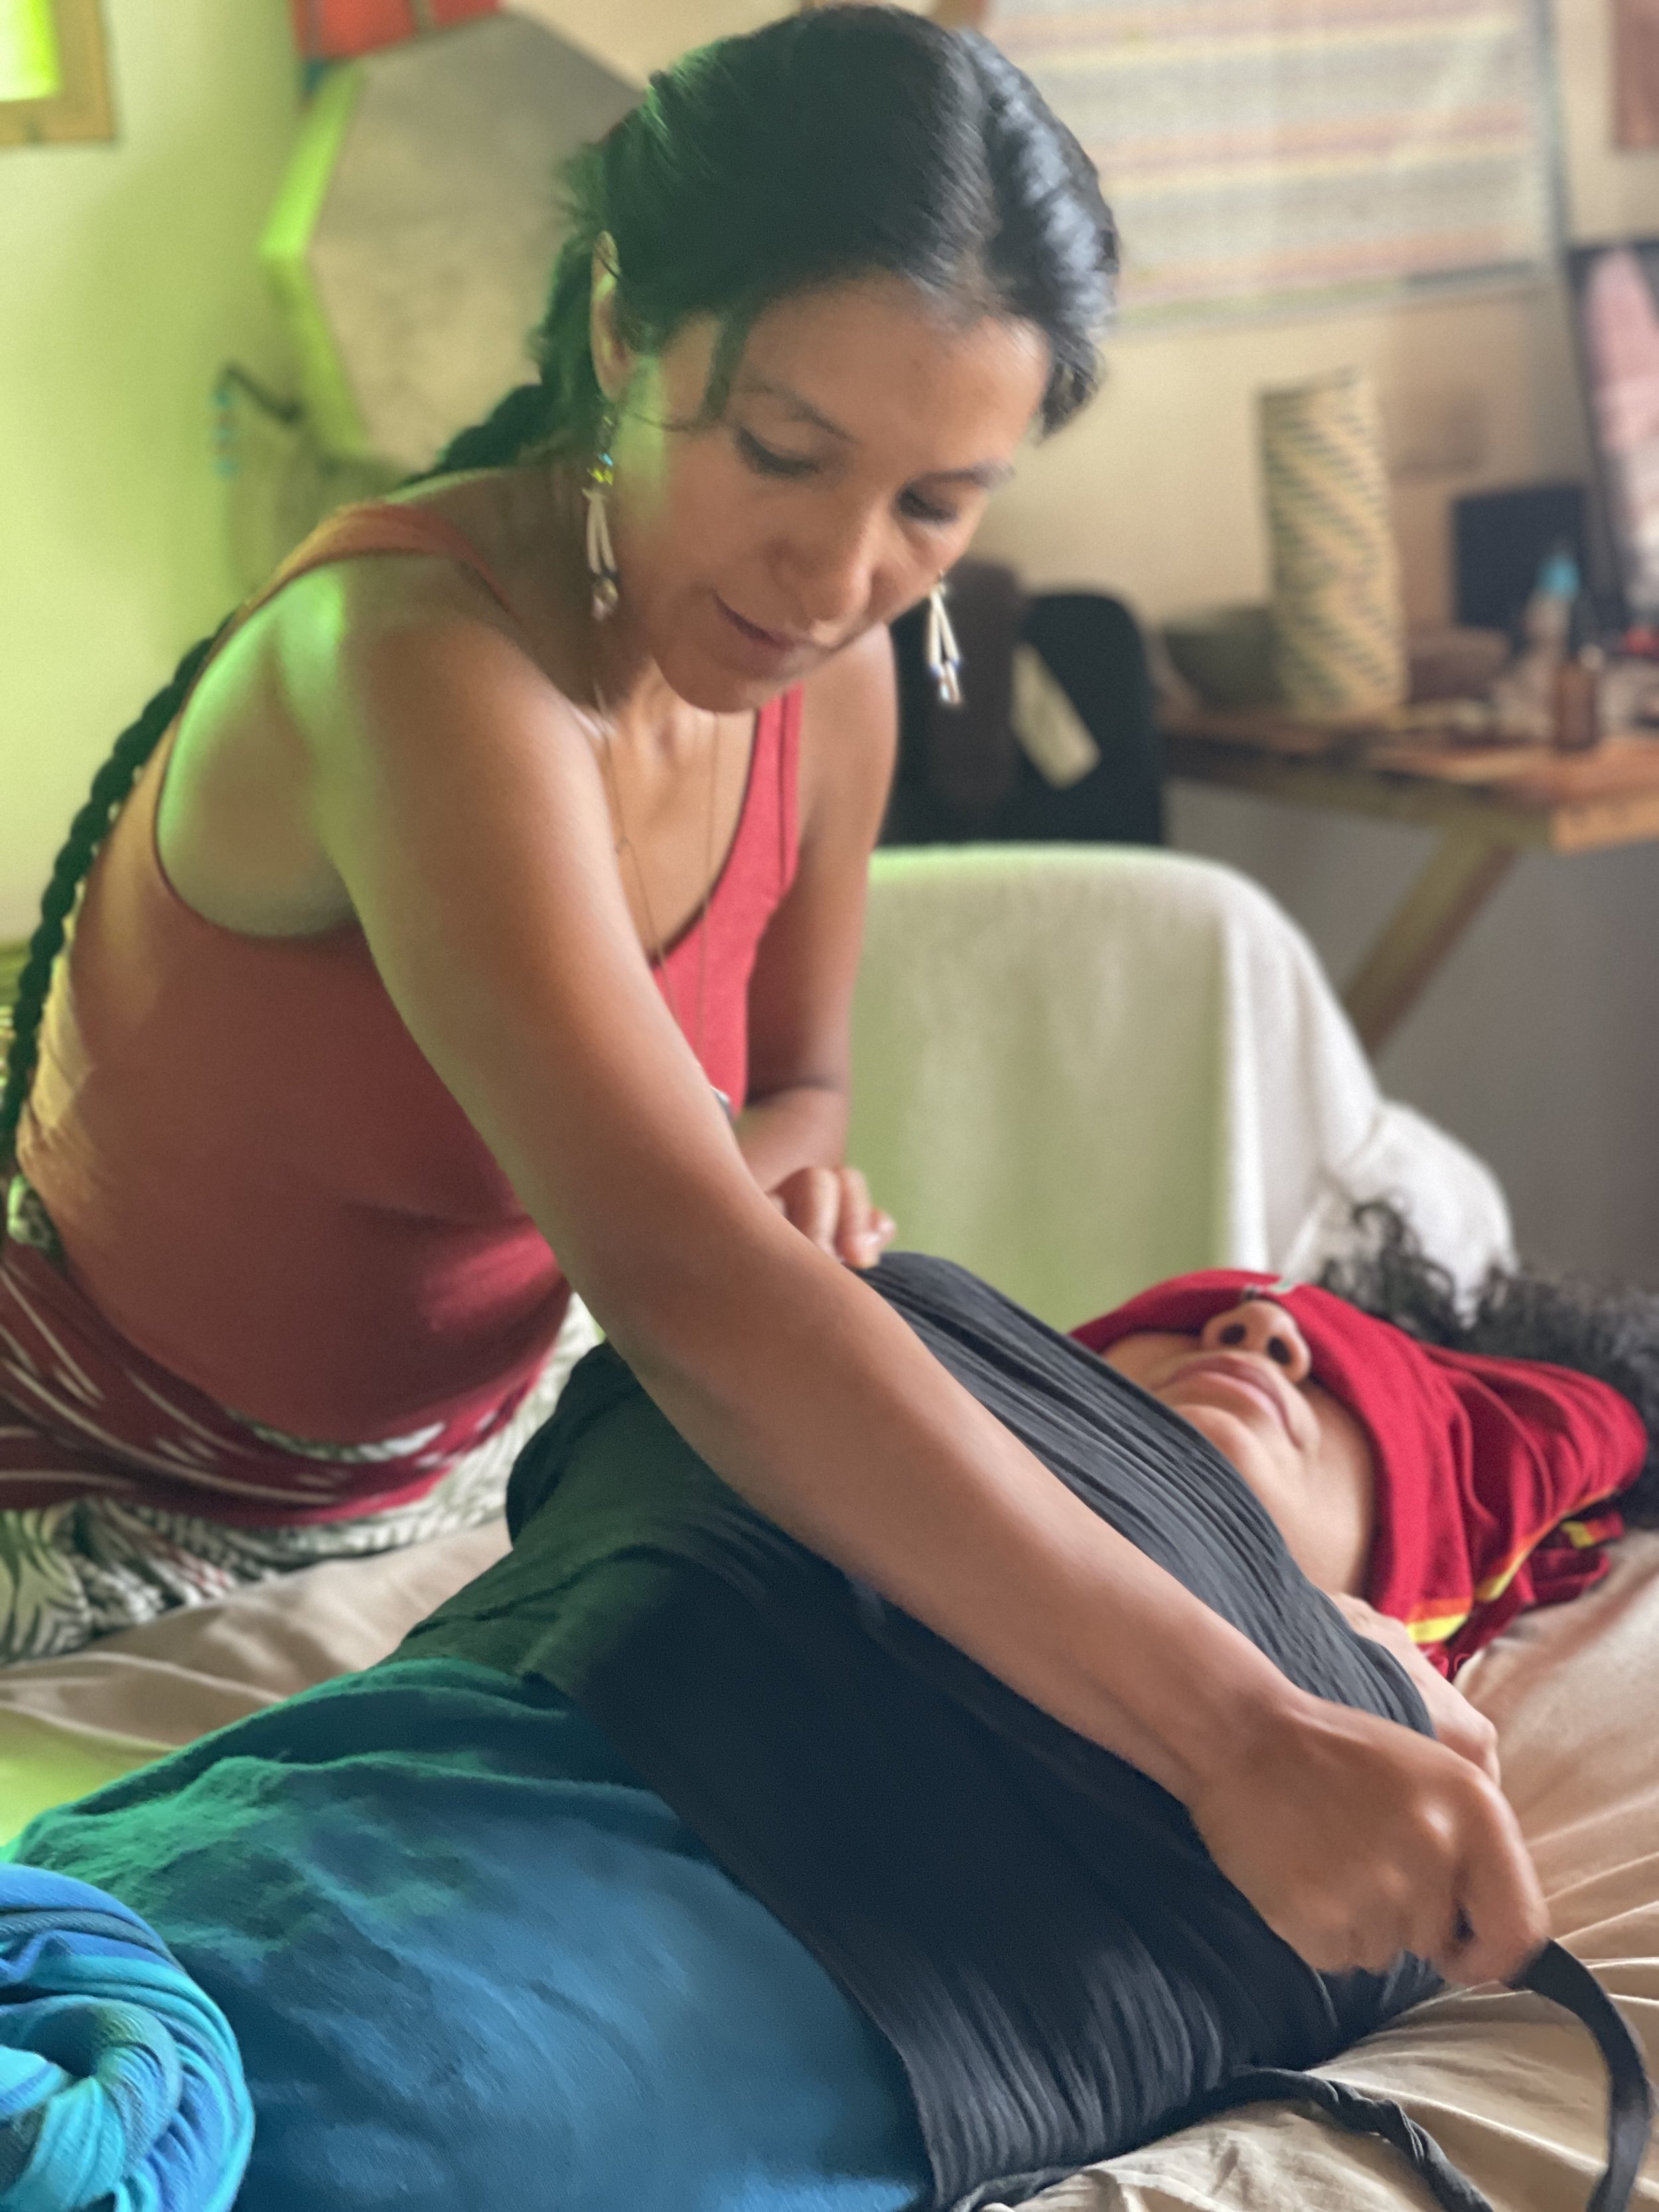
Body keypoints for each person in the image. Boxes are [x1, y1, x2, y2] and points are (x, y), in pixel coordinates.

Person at [0, 7, 1543, 1986]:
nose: (833, 575)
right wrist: (1238, 1731)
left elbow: (796, 1086)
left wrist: (777, 1170)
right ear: (624, 326)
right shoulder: (413, 668)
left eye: (933, 502)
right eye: (785, 454)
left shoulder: (835, 681)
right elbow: (692, 1289)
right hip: (105, 1512)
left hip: (467, 1474)